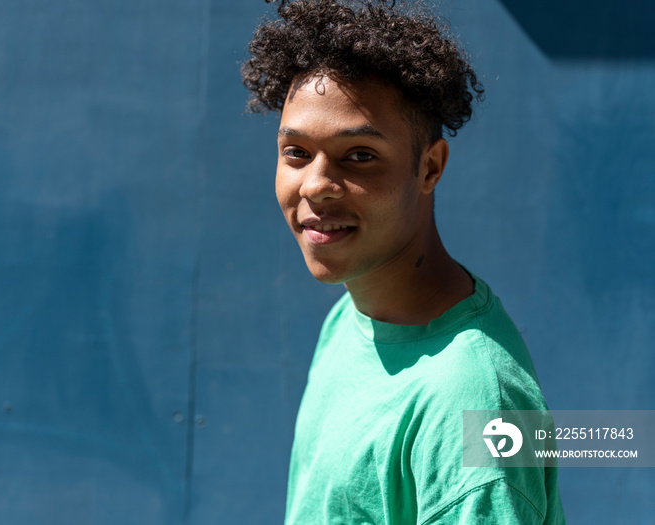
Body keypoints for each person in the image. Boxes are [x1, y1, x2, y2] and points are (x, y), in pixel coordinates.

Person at [242, 0, 566, 523]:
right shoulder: (351, 316)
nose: (316, 185)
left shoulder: (473, 404)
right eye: (296, 152)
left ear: (430, 168)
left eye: (360, 156)